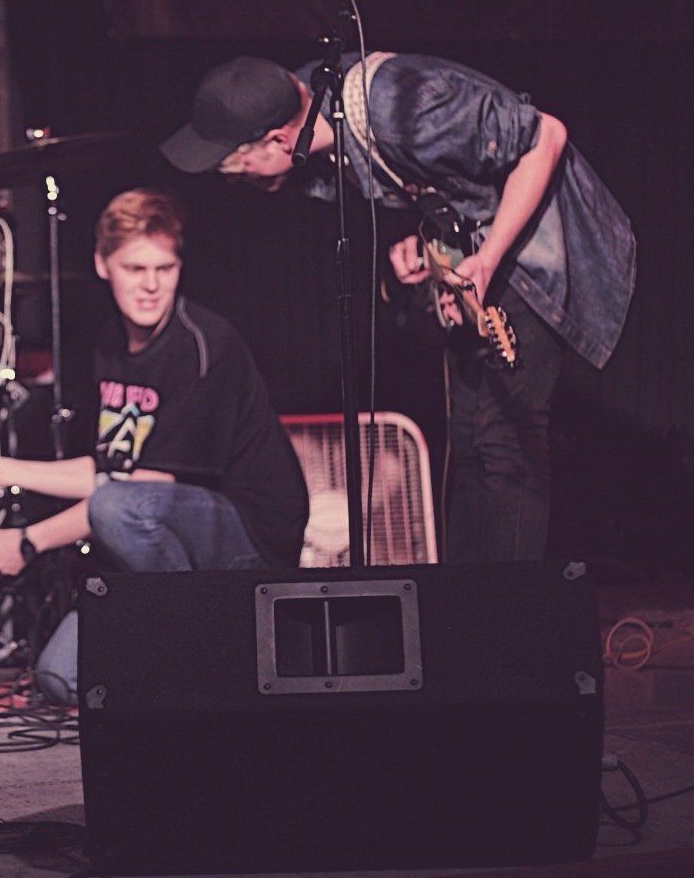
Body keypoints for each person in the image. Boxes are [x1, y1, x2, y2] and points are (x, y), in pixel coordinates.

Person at [161, 51, 636, 562]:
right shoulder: (316, 106)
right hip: (480, 256)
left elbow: (545, 137)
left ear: (278, 140)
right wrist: (428, 245)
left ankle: (508, 618)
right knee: (471, 443)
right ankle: (468, 608)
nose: (241, 179)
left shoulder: (403, 107)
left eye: (240, 166)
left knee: (506, 447)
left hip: (533, 251)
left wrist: (488, 258)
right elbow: (450, 183)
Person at [0, 188, 309, 703]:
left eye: (164, 269)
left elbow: (138, 491)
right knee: (60, 677)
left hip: (247, 544)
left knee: (118, 507)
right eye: (134, 269)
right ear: (103, 265)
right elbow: (107, 469)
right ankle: (174, 670)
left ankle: (206, 659)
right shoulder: (106, 345)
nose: (150, 286)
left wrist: (29, 542)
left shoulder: (203, 346)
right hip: (159, 534)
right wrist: (3, 468)